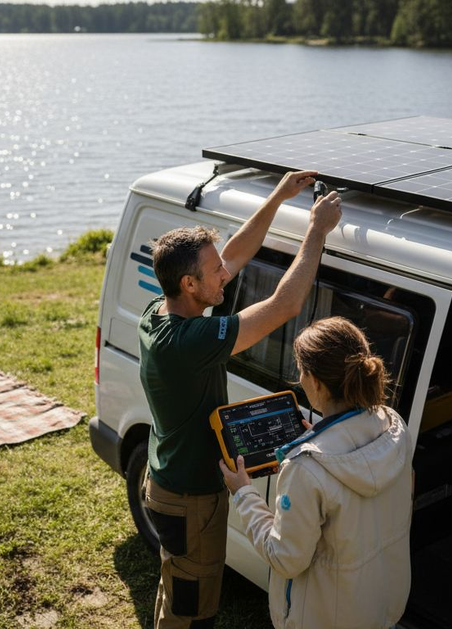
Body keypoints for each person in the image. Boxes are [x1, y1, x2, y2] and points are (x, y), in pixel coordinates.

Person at [139, 170, 343, 628]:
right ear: (190, 284)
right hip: (191, 498)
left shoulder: (161, 310)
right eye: (214, 273)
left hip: (168, 482)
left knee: (176, 588)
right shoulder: (191, 340)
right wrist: (316, 230)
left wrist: (278, 197)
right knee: (192, 609)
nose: (226, 274)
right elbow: (284, 305)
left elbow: (233, 254)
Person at [219, 316, 414, 629]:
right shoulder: (394, 427)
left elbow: (285, 557)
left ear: (317, 383)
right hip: (379, 610)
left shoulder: (305, 468)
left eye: (301, 371)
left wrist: (243, 493)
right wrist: (324, 436)